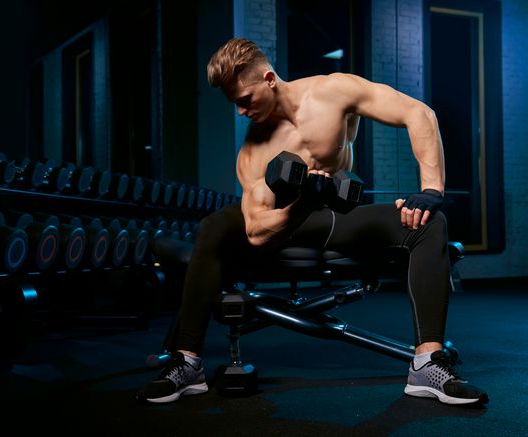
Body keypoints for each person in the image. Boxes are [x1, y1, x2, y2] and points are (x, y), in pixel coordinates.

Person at [138, 37, 488, 406]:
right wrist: (303, 204)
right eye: (234, 104)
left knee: (430, 224)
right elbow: (257, 233)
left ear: (270, 79)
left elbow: (418, 113)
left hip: (338, 218)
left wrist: (430, 190)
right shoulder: (253, 152)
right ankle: (187, 363)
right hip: (287, 224)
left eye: (244, 100)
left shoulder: (333, 92)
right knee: (215, 225)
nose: (240, 113)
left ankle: (427, 366)